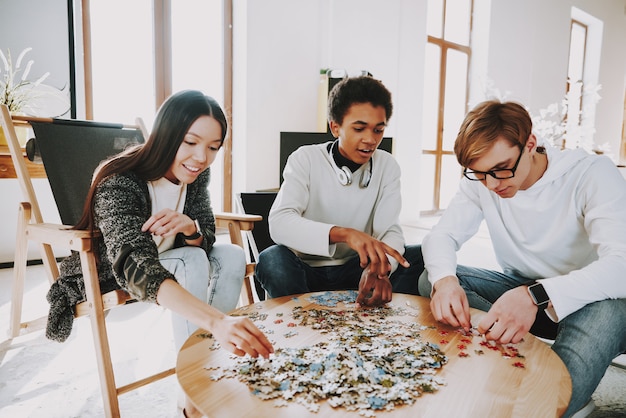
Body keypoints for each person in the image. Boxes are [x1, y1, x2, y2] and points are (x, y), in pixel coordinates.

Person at [45, 90, 274, 418]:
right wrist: (218, 320)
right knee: (193, 259)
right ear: (166, 135)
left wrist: (189, 228)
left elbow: (206, 235)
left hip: (177, 272)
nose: (201, 158)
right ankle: (193, 396)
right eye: (191, 142)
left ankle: (209, 360)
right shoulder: (119, 180)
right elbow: (132, 264)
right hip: (118, 279)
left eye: (213, 147)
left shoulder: (195, 176)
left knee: (233, 253)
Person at [418, 99, 626, 417]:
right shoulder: (485, 180)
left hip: (596, 301)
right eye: (480, 174)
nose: (492, 184)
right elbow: (441, 236)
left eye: (501, 170)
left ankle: (544, 366)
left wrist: (535, 295)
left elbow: (621, 267)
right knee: (431, 276)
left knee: (548, 397)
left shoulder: (591, 174)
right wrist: (445, 281)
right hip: (527, 293)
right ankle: (525, 350)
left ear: (530, 143)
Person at [255, 75, 423, 306]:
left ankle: (375, 309)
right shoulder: (305, 158)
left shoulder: (387, 165)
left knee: (419, 255)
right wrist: (345, 234)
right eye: (359, 128)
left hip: (358, 270)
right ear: (335, 127)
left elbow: (390, 231)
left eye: (378, 130)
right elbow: (280, 223)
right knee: (272, 259)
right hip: (305, 271)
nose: (370, 140)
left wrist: (381, 269)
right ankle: (302, 321)